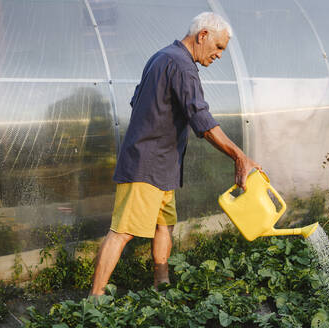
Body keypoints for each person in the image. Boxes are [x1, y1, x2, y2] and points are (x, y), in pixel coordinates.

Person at [89, 12, 261, 296]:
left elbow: (138, 101)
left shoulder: (161, 57)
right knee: (122, 232)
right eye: (218, 47)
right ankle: (93, 301)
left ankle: (162, 285)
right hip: (147, 163)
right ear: (203, 35)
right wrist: (239, 157)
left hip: (163, 164)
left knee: (164, 224)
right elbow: (201, 120)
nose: (219, 55)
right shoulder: (182, 66)